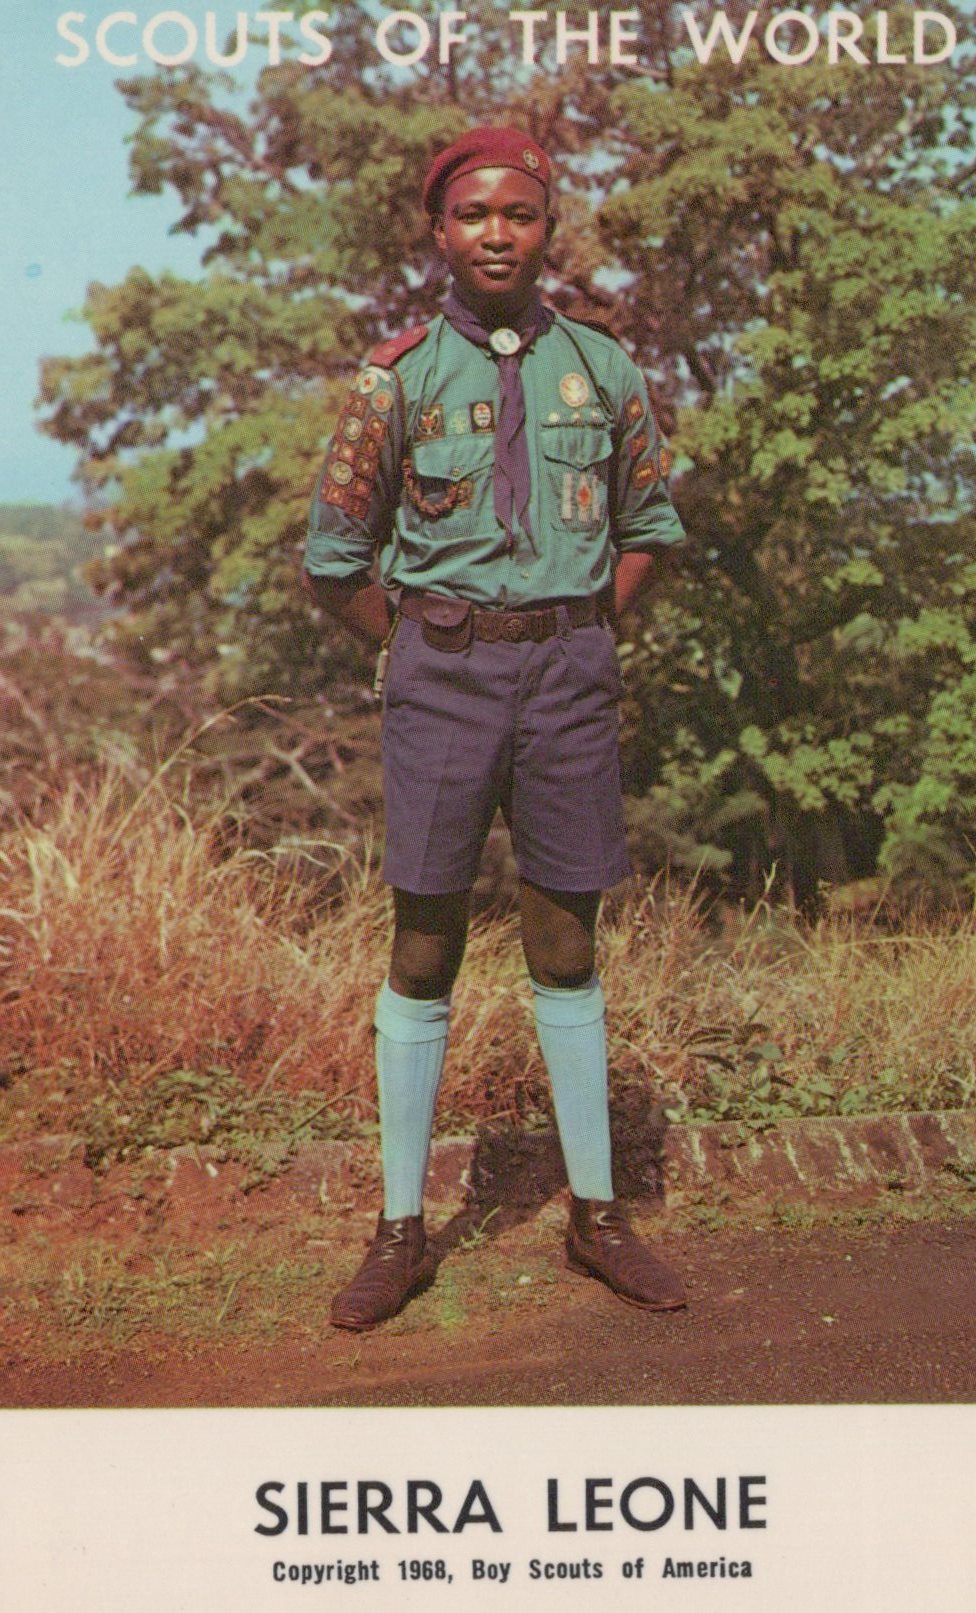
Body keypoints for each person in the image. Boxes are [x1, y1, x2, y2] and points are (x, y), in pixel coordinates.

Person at [304, 127, 687, 1330]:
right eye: (473, 214)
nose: (496, 234)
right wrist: (425, 647)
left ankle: (598, 1217)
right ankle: (400, 1229)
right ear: (438, 232)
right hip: (443, 675)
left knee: (565, 942)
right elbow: (332, 559)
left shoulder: (604, 371)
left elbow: (649, 531)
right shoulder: (397, 378)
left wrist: (580, 634)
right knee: (423, 945)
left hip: (568, 677)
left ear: (546, 229)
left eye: (518, 214)